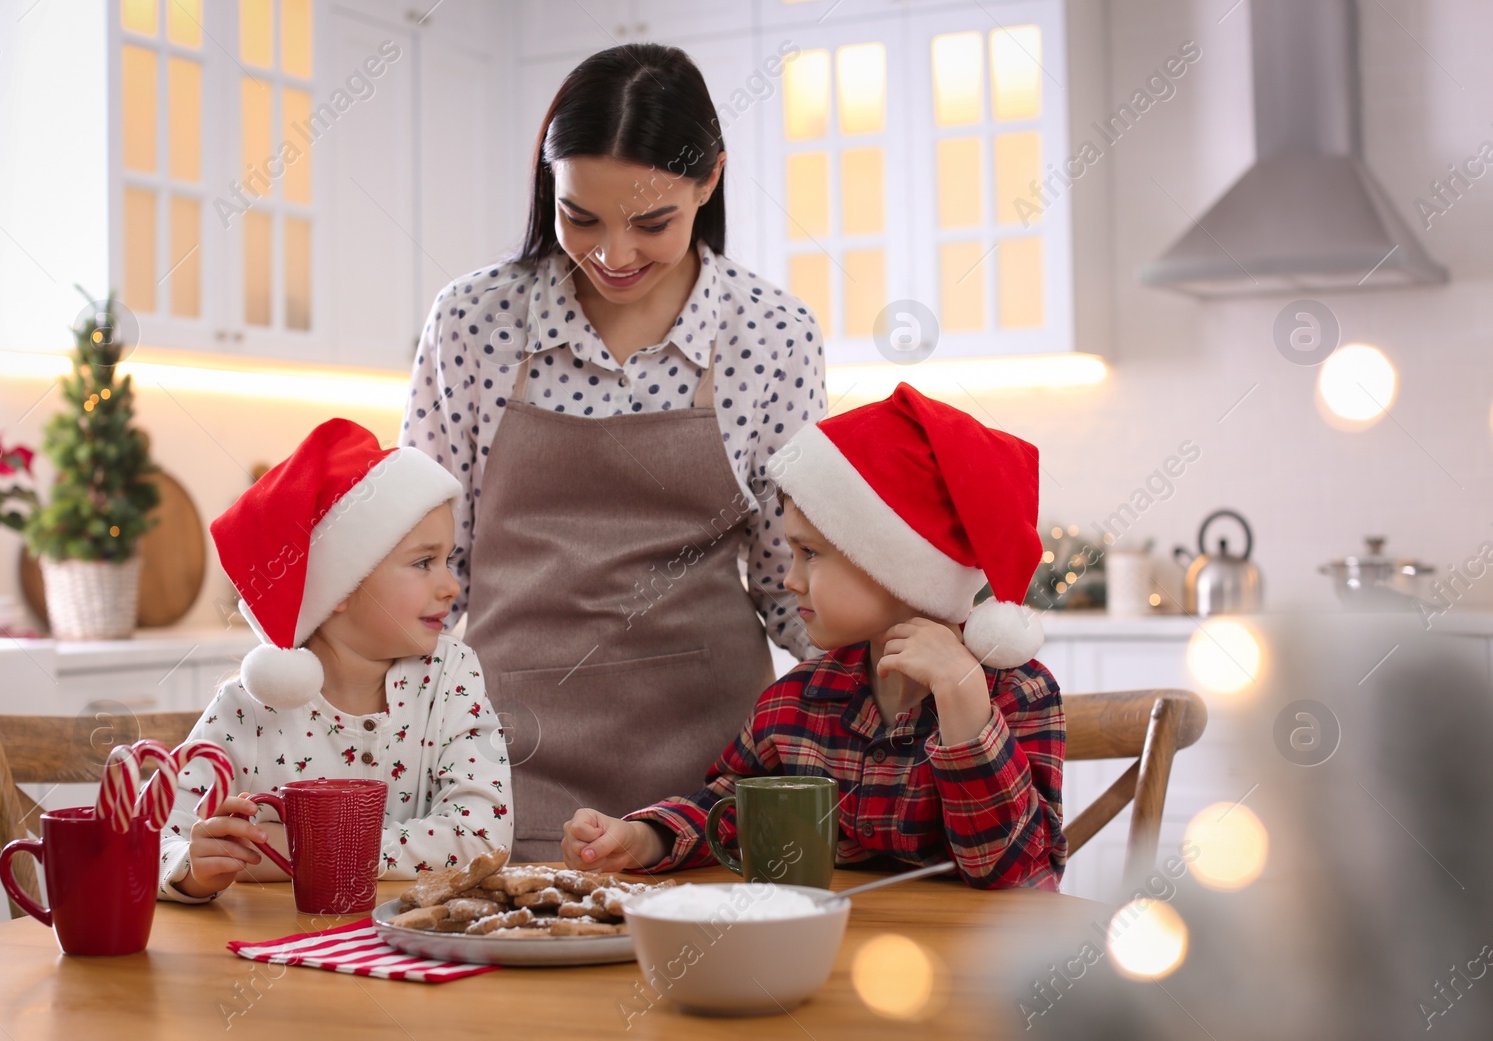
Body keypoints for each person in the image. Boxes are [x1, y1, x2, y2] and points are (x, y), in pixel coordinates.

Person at [401, 43, 826, 860]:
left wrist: (893, 692)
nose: (614, 254)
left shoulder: (772, 336)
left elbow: (789, 588)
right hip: (496, 771)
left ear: (710, 181)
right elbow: (423, 566)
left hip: (712, 788)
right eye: (580, 217)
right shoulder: (473, 321)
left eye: (652, 222)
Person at [560, 384, 1067, 889]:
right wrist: (644, 838)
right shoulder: (795, 701)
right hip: (829, 956)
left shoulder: (1020, 693)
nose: (790, 579)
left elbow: (1018, 876)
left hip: (975, 967)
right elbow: (730, 808)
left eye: (811, 553)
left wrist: (964, 706)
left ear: (891, 564)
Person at [156, 419, 513, 902]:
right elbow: (147, 838)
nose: (451, 586)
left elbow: (482, 837)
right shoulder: (247, 708)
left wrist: (304, 852)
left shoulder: (452, 676)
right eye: (423, 562)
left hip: (417, 956)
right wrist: (192, 871)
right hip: (277, 958)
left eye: (448, 559)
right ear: (342, 587)